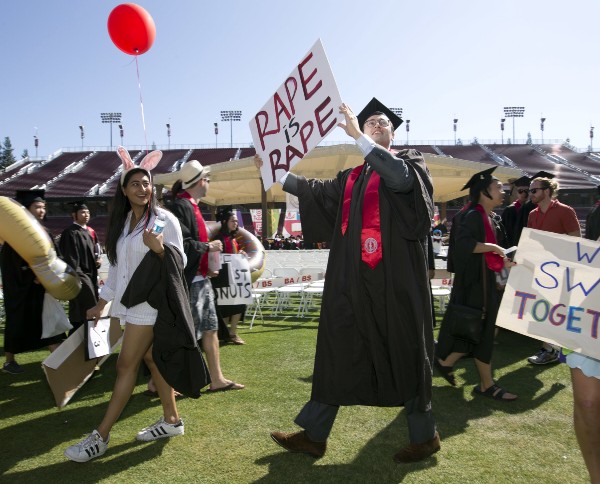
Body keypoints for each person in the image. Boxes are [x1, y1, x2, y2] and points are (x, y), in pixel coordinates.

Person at [259, 98, 439, 463]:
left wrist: (360, 136)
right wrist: (272, 167)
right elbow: (309, 190)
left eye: (381, 123)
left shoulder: (410, 162)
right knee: (337, 348)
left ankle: (425, 436)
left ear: (393, 133)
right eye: (369, 121)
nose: (375, 124)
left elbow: (400, 181)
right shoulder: (350, 179)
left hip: (397, 283)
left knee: (406, 350)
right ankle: (314, 435)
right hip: (351, 282)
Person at [64, 148, 187, 462]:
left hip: (150, 305)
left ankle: (101, 436)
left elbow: (180, 261)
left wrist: (160, 250)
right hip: (127, 306)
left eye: (146, 183)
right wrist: (101, 303)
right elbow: (118, 269)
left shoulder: (161, 220)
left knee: (124, 366)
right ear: (123, 190)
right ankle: (173, 420)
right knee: (151, 359)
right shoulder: (122, 226)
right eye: (135, 184)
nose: (142, 188)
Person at [157, 160, 245, 392]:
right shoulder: (182, 207)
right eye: (207, 178)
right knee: (187, 334)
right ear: (199, 182)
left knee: (210, 328)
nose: (208, 182)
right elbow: (181, 244)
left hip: (199, 279)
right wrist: (208, 248)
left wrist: (207, 260)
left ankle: (216, 379)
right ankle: (160, 383)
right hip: (190, 280)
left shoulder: (190, 206)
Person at [435, 167, 517, 401]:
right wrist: (494, 249)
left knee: (481, 332)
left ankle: (447, 362)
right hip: (475, 286)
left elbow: (488, 255)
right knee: (482, 331)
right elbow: (464, 246)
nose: (503, 192)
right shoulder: (472, 216)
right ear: (484, 192)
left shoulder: (489, 217)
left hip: (484, 282)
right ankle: (485, 384)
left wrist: (503, 263)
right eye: (498, 188)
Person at [1, 189, 64, 374]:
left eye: (43, 207)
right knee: (17, 324)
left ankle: (58, 360)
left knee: (50, 323)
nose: (42, 210)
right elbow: (10, 266)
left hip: (41, 289)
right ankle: (9, 361)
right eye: (37, 207)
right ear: (25, 210)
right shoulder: (13, 235)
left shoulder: (45, 232)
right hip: (22, 290)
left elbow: (56, 257)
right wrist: (31, 275)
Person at [525, 174, 581, 365]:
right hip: (541, 272)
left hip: (563, 272)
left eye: (534, 190)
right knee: (543, 311)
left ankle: (551, 350)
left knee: (557, 312)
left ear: (547, 191)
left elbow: (576, 240)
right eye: (529, 190)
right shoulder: (532, 214)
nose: (529, 193)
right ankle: (551, 349)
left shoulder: (565, 211)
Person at [58, 201, 99, 334]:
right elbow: (71, 259)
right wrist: (78, 277)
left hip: (90, 274)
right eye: (82, 212)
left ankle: (78, 337)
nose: (86, 215)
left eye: (87, 212)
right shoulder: (70, 233)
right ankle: (87, 337)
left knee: (81, 309)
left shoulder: (88, 232)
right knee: (89, 305)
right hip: (80, 276)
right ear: (74, 215)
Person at [214, 206, 247, 345]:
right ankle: (229, 333)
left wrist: (240, 255)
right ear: (225, 222)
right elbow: (217, 257)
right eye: (233, 221)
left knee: (239, 304)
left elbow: (233, 256)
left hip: (233, 276)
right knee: (228, 305)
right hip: (223, 277)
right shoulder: (219, 239)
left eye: (236, 221)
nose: (236, 223)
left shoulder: (231, 238)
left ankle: (231, 333)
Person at [500, 175, 531, 247]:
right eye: (520, 191)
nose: (523, 194)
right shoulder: (510, 210)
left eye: (526, 191)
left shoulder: (534, 209)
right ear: (517, 193)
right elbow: (504, 234)